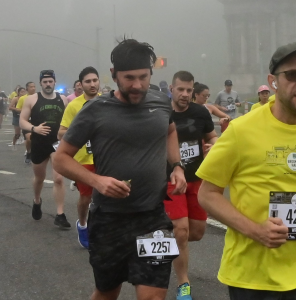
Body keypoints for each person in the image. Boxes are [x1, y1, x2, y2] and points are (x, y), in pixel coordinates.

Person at [196, 42, 296, 300]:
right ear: (273, 81)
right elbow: (207, 194)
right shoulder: (242, 130)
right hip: (253, 279)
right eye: (293, 74)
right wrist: (256, 230)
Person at [53, 38, 186, 300]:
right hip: (109, 219)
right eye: (129, 78)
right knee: (107, 293)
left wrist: (177, 166)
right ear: (114, 75)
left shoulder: (161, 102)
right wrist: (97, 181)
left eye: (143, 77)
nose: (137, 85)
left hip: (152, 217)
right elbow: (61, 159)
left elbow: (170, 130)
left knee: (154, 296)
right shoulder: (95, 110)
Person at [167, 71, 219, 300]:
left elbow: (213, 137)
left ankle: (166, 242)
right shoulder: (162, 113)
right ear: (172, 89)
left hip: (196, 179)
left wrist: (212, 146)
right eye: (181, 89)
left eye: (189, 90)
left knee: (195, 233)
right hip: (171, 180)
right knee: (181, 231)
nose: (185, 94)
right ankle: (183, 284)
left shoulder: (200, 112)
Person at [19, 70, 70, 229]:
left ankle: (60, 214)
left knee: (59, 179)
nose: (48, 84)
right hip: (39, 143)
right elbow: (22, 121)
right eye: (45, 82)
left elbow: (69, 120)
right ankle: (36, 200)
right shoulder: (31, 99)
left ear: (55, 82)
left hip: (57, 144)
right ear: (41, 83)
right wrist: (34, 129)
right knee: (39, 178)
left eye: (50, 81)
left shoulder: (63, 99)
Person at [58, 66, 101, 248]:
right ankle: (82, 224)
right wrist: (81, 135)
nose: (92, 84)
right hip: (83, 160)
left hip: (105, 157)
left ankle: (102, 229)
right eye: (88, 81)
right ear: (81, 85)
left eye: (95, 80)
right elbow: (61, 132)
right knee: (86, 197)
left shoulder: (108, 102)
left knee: (107, 195)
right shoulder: (74, 106)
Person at [17, 82, 37, 164]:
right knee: (29, 138)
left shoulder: (38, 97)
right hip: (26, 121)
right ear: (27, 89)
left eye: (34, 86)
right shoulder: (23, 98)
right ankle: (28, 152)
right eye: (31, 87)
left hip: (37, 121)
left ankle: (36, 153)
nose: (33, 88)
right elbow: (18, 108)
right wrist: (26, 111)